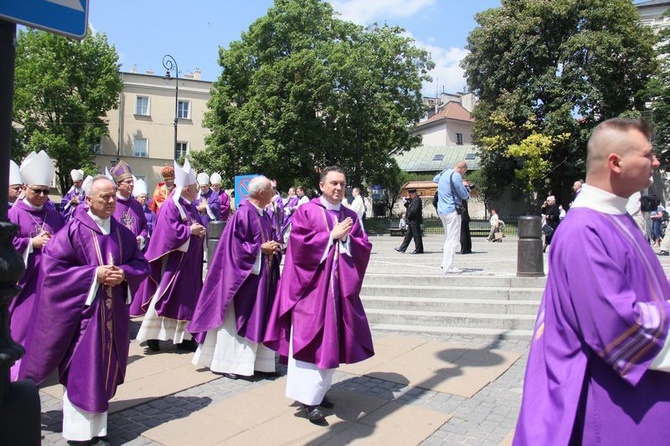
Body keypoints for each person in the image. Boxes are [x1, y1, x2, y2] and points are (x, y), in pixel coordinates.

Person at [513, 118, 670, 445]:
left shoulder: (616, 216)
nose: (655, 162)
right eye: (648, 154)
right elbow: (617, 326)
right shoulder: (584, 230)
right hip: (613, 399)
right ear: (616, 162)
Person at [19, 176, 150, 446]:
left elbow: (140, 263)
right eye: (105, 197)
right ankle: (79, 434)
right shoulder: (73, 231)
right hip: (84, 318)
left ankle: (98, 430)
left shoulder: (121, 233)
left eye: (113, 196)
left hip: (113, 317)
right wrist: (94, 275)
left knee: (103, 371)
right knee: (83, 371)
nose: (112, 201)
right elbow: (53, 270)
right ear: (88, 200)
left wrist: (124, 274)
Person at [264, 166, 374, 423]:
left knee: (331, 341)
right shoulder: (307, 211)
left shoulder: (350, 215)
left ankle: (320, 391)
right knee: (309, 340)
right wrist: (330, 236)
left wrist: (346, 240)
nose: (338, 188)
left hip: (338, 292)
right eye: (333, 183)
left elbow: (363, 246)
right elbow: (298, 246)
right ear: (322, 186)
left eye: (342, 184)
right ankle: (307, 400)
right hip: (310, 292)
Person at [189, 176, 282, 379]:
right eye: (271, 190)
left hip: (259, 279)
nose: (274, 193)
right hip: (240, 283)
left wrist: (274, 247)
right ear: (261, 193)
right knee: (233, 322)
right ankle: (228, 363)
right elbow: (233, 249)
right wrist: (259, 250)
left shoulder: (263, 215)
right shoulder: (242, 214)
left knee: (257, 317)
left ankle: (257, 363)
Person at [134, 159, 206, 351]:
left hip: (189, 263)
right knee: (166, 296)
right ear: (186, 189)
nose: (197, 190)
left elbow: (197, 224)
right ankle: (153, 336)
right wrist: (189, 231)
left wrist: (200, 230)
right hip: (175, 263)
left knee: (188, 298)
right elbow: (167, 232)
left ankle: (185, 337)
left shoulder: (190, 205)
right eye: (194, 187)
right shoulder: (170, 206)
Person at [8, 150, 65, 379]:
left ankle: (38, 366)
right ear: (24, 189)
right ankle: (15, 371)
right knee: (21, 325)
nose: (42, 195)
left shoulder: (54, 215)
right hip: (25, 280)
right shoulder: (14, 213)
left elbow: (65, 240)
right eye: (36, 191)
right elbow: (8, 242)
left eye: (45, 191)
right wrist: (32, 242)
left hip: (49, 279)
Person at [433, 161, 470, 274]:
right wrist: (467, 193)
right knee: (453, 239)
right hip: (452, 209)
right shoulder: (456, 175)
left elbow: (435, 179)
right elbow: (463, 193)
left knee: (448, 237)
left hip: (442, 210)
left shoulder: (445, 172)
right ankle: (448, 266)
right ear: (463, 170)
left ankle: (445, 263)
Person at [110, 161, 148, 251]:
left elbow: (144, 225)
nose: (132, 184)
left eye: (132, 182)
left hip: (135, 250)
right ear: (119, 185)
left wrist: (141, 238)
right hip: (117, 249)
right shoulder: (111, 204)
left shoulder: (137, 205)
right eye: (128, 182)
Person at [394, 188, 424, 254]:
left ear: (413, 194)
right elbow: (410, 207)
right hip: (412, 220)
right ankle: (402, 248)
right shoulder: (413, 200)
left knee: (416, 235)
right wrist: (406, 203)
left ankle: (419, 249)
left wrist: (409, 216)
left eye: (410, 194)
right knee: (408, 235)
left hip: (414, 220)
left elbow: (413, 211)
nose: (409, 196)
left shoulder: (417, 200)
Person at [459, 180, 474, 254]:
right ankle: (468, 248)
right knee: (467, 233)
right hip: (465, 216)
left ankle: (464, 248)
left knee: (463, 233)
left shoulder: (459, 197)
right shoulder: (464, 195)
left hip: (461, 216)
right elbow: (471, 187)